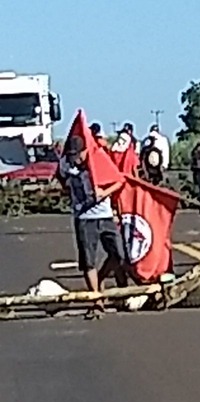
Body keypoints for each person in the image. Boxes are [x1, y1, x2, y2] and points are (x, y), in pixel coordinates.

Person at [57, 136, 127, 318]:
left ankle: (102, 277)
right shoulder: (67, 165)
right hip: (84, 217)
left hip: (104, 215)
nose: (75, 158)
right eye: (72, 155)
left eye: (78, 155)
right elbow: (61, 180)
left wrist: (104, 192)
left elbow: (119, 180)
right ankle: (96, 301)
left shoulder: (98, 161)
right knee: (88, 261)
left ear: (85, 151)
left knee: (118, 255)